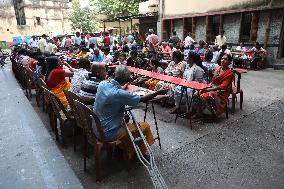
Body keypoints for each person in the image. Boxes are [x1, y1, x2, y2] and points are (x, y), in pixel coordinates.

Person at [93, 65, 168, 159]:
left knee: (126, 119)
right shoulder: (119, 94)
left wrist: (129, 82)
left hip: (96, 127)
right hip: (107, 133)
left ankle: (127, 148)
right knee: (145, 126)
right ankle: (140, 153)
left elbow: (118, 90)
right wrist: (157, 93)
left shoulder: (103, 84)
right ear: (125, 79)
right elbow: (142, 99)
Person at [199, 54, 234, 118]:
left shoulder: (230, 73)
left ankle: (214, 114)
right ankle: (199, 113)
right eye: (222, 59)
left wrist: (209, 89)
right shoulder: (218, 68)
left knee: (207, 95)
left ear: (229, 62)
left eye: (225, 59)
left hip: (222, 91)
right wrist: (207, 87)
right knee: (198, 92)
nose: (223, 60)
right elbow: (213, 81)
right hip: (214, 87)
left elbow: (223, 86)